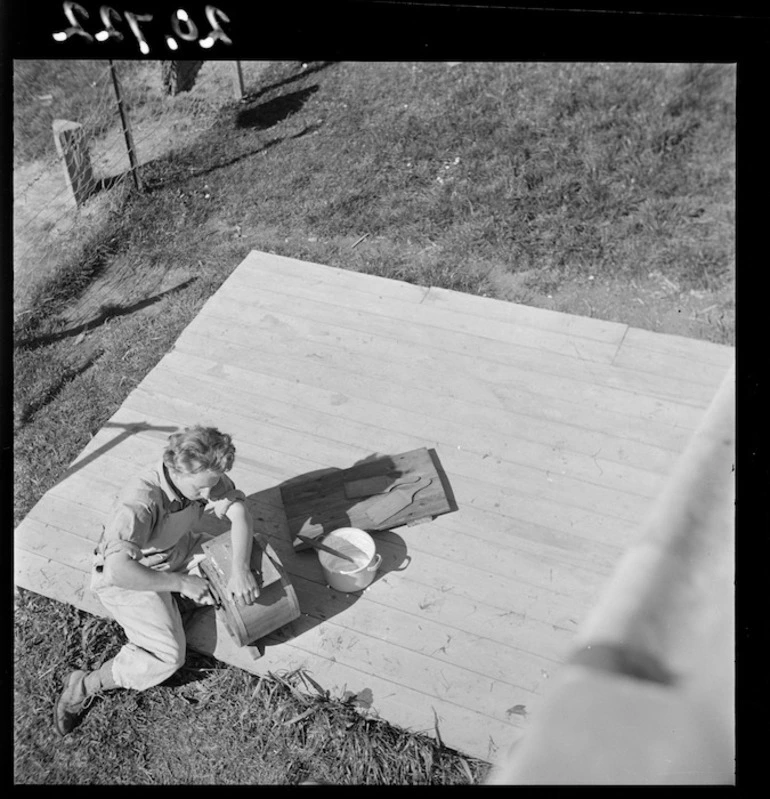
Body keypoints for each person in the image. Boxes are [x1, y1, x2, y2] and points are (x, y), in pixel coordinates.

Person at [54, 425, 260, 736]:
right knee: (168, 656)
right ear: (177, 471)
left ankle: (181, 605)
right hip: (133, 578)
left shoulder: (204, 475)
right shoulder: (141, 500)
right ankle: (83, 685)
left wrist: (241, 569)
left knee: (242, 557)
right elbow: (118, 571)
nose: (209, 496)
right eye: (201, 489)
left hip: (175, 552)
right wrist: (180, 583)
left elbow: (240, 513)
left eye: (213, 485)